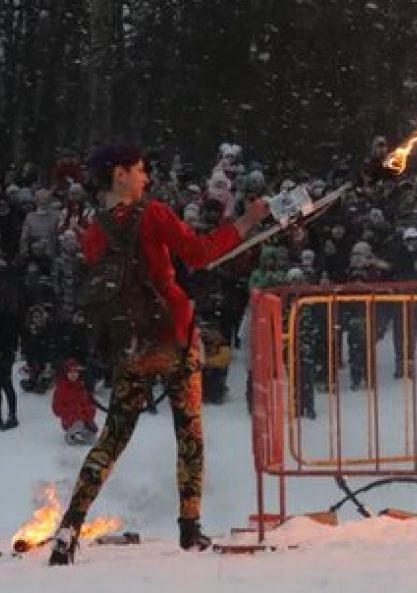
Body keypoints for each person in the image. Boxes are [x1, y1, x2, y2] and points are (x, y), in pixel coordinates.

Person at [48, 144, 270, 565]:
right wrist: (247, 220)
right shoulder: (153, 214)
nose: (145, 177)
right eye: (138, 170)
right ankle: (189, 528)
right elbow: (201, 254)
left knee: (112, 439)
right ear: (119, 175)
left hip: (131, 345)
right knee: (189, 434)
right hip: (172, 335)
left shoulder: (95, 229)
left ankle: (70, 526)